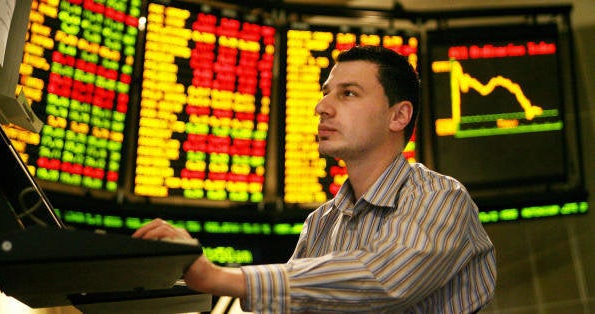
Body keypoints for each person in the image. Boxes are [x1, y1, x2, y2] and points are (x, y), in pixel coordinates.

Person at [133, 45, 496, 313]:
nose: (321, 107)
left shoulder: (440, 196)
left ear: (399, 116)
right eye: (325, 93)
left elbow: (383, 280)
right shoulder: (321, 223)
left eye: (348, 93)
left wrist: (219, 277)